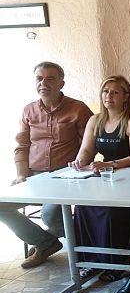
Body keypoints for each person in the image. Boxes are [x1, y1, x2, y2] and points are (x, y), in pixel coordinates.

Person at [69, 75, 130, 293]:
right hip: (105, 178)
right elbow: (86, 151)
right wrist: (79, 162)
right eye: (105, 91)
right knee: (83, 207)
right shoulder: (95, 120)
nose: (109, 96)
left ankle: (117, 263)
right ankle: (94, 260)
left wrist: (110, 164)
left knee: (110, 210)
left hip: (129, 178)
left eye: (115, 92)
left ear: (126, 97)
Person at [0, 61, 92, 268]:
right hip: (34, 177)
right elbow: (22, 146)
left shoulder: (78, 109)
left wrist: (77, 170)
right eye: (39, 78)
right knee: (1, 205)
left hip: (65, 177)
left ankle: (86, 247)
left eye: (50, 79)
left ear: (61, 83)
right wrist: (21, 174)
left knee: (49, 215)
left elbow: (89, 145)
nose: (43, 83)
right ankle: (45, 242)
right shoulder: (28, 110)